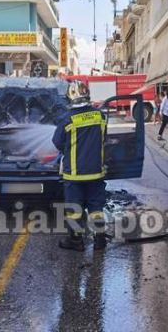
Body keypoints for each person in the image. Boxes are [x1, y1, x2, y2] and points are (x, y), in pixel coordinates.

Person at [52, 81, 108, 251]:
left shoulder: (67, 119)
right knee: (96, 206)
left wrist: (68, 150)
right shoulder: (100, 116)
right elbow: (103, 138)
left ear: (71, 96)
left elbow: (57, 142)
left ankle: (76, 241)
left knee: (74, 209)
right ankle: (100, 240)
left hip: (74, 175)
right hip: (96, 172)